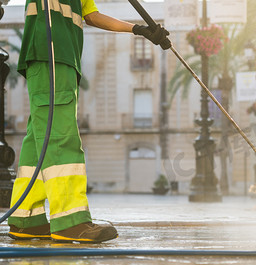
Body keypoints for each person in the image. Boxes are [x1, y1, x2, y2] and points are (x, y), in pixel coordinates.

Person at [7, 0, 170, 243]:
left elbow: (91, 15)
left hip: (61, 59)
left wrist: (138, 30)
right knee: (62, 135)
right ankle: (70, 222)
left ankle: (26, 219)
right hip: (50, 54)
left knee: (38, 140)